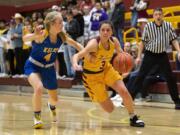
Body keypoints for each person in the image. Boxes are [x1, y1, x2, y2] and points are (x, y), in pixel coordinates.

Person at [72, 20, 145, 127]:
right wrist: (75, 64)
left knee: (124, 91)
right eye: (103, 30)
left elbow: (121, 54)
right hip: (92, 77)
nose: (105, 32)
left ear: (111, 32)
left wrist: (127, 61)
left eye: (108, 30)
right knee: (109, 109)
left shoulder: (114, 41)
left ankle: (133, 117)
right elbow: (77, 56)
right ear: (99, 32)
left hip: (106, 69)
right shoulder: (93, 44)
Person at [23, 11, 83, 129]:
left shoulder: (61, 36)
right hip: (33, 65)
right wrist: (34, 35)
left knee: (55, 99)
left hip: (49, 68)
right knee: (38, 88)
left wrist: (86, 53)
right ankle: (37, 117)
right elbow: (25, 39)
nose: (62, 24)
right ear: (51, 24)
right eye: (60, 22)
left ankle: (51, 105)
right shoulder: (42, 34)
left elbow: (76, 44)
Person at [130, 8, 180, 109]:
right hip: (150, 54)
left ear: (162, 16)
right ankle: (130, 98)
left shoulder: (168, 25)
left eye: (160, 14)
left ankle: (177, 101)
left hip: (162, 55)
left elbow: (174, 40)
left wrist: (179, 51)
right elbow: (142, 42)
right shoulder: (148, 26)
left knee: (170, 77)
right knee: (141, 76)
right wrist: (139, 56)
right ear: (153, 16)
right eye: (156, 14)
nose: (158, 16)